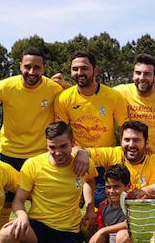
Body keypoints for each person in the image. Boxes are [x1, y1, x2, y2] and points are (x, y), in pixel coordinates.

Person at [0, 47, 81, 243]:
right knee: (6, 206)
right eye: (27, 66)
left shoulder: (53, 88)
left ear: (44, 69)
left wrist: (80, 149)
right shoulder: (5, 86)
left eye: (37, 67)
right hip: (9, 154)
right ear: (20, 66)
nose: (32, 71)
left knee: (38, 206)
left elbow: (72, 96)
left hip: (41, 155)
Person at [0, 122, 97, 243]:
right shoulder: (33, 165)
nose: (58, 152)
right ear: (46, 144)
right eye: (52, 147)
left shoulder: (82, 163)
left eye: (63, 146)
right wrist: (21, 215)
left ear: (72, 142)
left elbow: (90, 181)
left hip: (68, 231)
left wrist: (89, 208)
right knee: (7, 234)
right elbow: (18, 201)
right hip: (39, 227)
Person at [54, 50, 127, 205]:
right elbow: (61, 133)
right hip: (75, 159)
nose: (79, 72)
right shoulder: (63, 99)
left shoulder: (113, 97)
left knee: (102, 203)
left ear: (95, 70)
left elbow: (124, 129)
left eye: (84, 68)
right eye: (75, 69)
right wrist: (77, 151)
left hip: (105, 162)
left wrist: (122, 158)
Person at [115, 54, 155, 164]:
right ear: (133, 75)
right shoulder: (120, 93)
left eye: (147, 74)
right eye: (138, 73)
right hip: (133, 160)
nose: (141, 78)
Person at [88, 120, 155, 190]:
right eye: (127, 140)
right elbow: (83, 151)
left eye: (136, 140)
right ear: (121, 141)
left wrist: (142, 192)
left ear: (146, 143)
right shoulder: (114, 154)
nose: (131, 145)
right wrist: (80, 153)